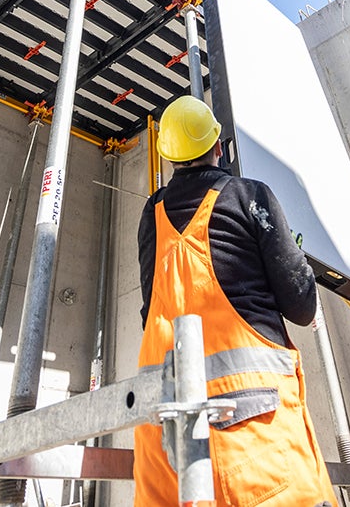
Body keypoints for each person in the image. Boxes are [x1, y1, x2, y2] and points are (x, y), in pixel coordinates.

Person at [133, 95, 335, 507]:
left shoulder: (150, 215)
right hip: (251, 433)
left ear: (168, 156)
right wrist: (292, 260)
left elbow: (149, 314)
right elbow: (301, 307)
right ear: (219, 147)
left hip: (164, 443)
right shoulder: (249, 196)